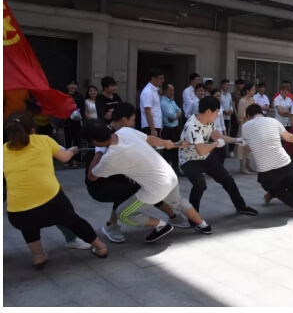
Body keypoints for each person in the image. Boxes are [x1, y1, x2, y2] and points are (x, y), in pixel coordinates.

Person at [4, 113, 109, 267]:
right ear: (32, 130)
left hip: (17, 213)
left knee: (28, 227)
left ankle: (38, 256)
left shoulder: (3, 150)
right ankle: (100, 247)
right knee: (73, 220)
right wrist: (73, 150)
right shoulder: (43, 140)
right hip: (51, 204)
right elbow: (65, 157)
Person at [83, 119, 212, 242]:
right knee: (177, 201)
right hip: (170, 175)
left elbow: (91, 176)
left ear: (94, 141)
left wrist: (99, 152)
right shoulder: (125, 131)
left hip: (156, 188)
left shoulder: (109, 159)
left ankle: (161, 226)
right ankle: (204, 225)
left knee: (122, 214)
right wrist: (167, 143)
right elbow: (151, 139)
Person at [179, 96, 258, 220]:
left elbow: (217, 136)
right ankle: (193, 217)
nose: (217, 115)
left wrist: (237, 140)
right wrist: (216, 144)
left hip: (205, 156)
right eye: (216, 112)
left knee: (228, 179)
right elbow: (201, 149)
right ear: (208, 111)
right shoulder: (193, 125)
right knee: (200, 184)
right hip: (189, 160)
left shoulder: (208, 121)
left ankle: (241, 206)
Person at [242, 104, 293, 214]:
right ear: (261, 113)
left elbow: (248, 148)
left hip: (265, 168)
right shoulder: (273, 121)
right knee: (289, 181)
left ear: (248, 116)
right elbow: (289, 138)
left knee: (274, 188)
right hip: (284, 162)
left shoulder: (245, 126)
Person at [160, 83, 183, 175]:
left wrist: (175, 116)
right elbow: (172, 115)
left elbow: (179, 111)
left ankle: (176, 169)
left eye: (173, 90)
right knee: (168, 151)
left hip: (175, 127)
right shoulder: (163, 102)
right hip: (168, 129)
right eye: (171, 91)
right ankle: (167, 171)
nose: (173, 92)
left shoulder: (171, 101)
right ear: (165, 91)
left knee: (176, 150)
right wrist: (175, 116)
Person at [64, 79, 85, 169]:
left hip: (77, 122)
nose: (73, 86)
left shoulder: (80, 96)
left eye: (75, 84)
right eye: (71, 84)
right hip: (66, 122)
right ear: (67, 86)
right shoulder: (63, 95)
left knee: (77, 140)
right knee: (67, 140)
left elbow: (83, 109)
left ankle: (75, 159)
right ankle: (67, 158)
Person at [237, 83, 256, 174]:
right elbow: (241, 116)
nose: (254, 91)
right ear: (247, 91)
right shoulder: (242, 101)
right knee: (242, 145)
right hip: (244, 125)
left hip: (252, 125)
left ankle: (248, 164)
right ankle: (242, 167)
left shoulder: (252, 100)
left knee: (250, 145)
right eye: (252, 89)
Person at [140, 68, 164, 136]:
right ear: (153, 78)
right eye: (160, 78)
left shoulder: (156, 90)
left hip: (156, 125)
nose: (162, 81)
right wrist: (152, 129)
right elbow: (147, 111)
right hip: (150, 126)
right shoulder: (148, 92)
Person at [229, 79, 245, 159]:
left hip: (244, 116)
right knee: (234, 132)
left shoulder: (244, 94)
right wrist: (237, 115)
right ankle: (231, 150)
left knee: (242, 133)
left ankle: (242, 149)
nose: (240, 86)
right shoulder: (233, 94)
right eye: (239, 84)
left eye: (241, 84)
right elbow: (233, 105)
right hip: (235, 115)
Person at [211, 88, 228, 164]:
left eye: (219, 96)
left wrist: (224, 130)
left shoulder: (220, 107)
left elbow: (222, 120)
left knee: (222, 151)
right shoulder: (209, 106)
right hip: (212, 131)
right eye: (216, 96)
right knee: (214, 151)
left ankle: (221, 166)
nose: (218, 97)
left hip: (220, 131)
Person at [220, 79, 234, 156]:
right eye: (226, 85)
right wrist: (223, 110)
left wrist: (231, 110)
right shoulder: (219, 94)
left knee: (226, 133)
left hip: (227, 117)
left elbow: (231, 104)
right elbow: (218, 104)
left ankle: (225, 151)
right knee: (220, 133)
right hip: (220, 117)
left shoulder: (229, 95)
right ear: (222, 85)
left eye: (229, 85)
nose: (228, 87)